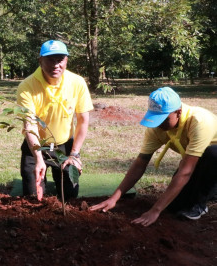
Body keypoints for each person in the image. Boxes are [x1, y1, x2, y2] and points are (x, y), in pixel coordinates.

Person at [90, 87, 217, 226]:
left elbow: (186, 172)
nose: (159, 124)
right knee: (174, 205)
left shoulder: (199, 122)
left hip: (212, 158)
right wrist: (114, 198)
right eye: (155, 118)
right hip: (198, 160)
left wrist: (155, 210)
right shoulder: (157, 128)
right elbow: (140, 164)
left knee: (212, 154)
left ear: (178, 112)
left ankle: (200, 204)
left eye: (163, 119)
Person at [16, 40, 93, 200]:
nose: (56, 64)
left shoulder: (77, 82)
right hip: (36, 146)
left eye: (60, 59)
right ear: (40, 61)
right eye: (50, 59)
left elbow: (83, 120)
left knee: (70, 196)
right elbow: (29, 125)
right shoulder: (27, 85)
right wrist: (38, 158)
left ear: (66, 61)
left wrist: (75, 155)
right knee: (33, 197)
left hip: (64, 146)